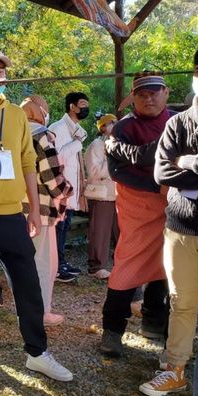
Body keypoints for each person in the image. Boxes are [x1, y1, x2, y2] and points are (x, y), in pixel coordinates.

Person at [0, 46, 73, 385]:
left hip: (13, 214)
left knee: (28, 283)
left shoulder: (16, 115)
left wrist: (31, 207)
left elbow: (28, 162)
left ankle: (37, 352)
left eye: (0, 72)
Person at [139, 48, 198, 396]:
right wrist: (194, 164)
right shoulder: (177, 122)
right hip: (180, 228)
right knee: (182, 301)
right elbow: (162, 171)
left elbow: (176, 168)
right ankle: (174, 367)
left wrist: (186, 161)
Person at [100, 71, 173, 358]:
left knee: (168, 266)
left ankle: (155, 321)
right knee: (127, 266)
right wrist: (158, 186)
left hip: (175, 208)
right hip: (138, 209)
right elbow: (116, 171)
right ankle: (112, 329)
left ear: (166, 92)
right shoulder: (124, 128)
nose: (149, 98)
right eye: (142, 94)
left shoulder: (179, 121)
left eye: (155, 92)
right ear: (134, 99)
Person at [21, 94, 72, 326]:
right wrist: (68, 191)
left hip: (14, 208)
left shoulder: (13, 132)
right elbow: (52, 178)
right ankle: (41, 312)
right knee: (44, 264)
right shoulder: (42, 135)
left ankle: (25, 309)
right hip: (40, 209)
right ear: (40, 112)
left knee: (22, 264)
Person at [49, 91, 90, 282]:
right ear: (72, 106)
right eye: (82, 104)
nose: (85, 108)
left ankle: (61, 262)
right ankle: (55, 267)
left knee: (64, 228)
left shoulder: (77, 130)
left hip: (72, 189)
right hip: (60, 189)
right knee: (58, 228)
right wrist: (77, 143)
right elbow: (56, 158)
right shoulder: (57, 128)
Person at [84, 113, 118, 279]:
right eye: (112, 123)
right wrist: (113, 159)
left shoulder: (117, 143)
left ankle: (119, 264)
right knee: (100, 232)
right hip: (101, 194)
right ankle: (96, 266)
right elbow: (94, 172)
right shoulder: (96, 145)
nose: (115, 125)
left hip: (117, 194)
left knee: (119, 232)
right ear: (103, 127)